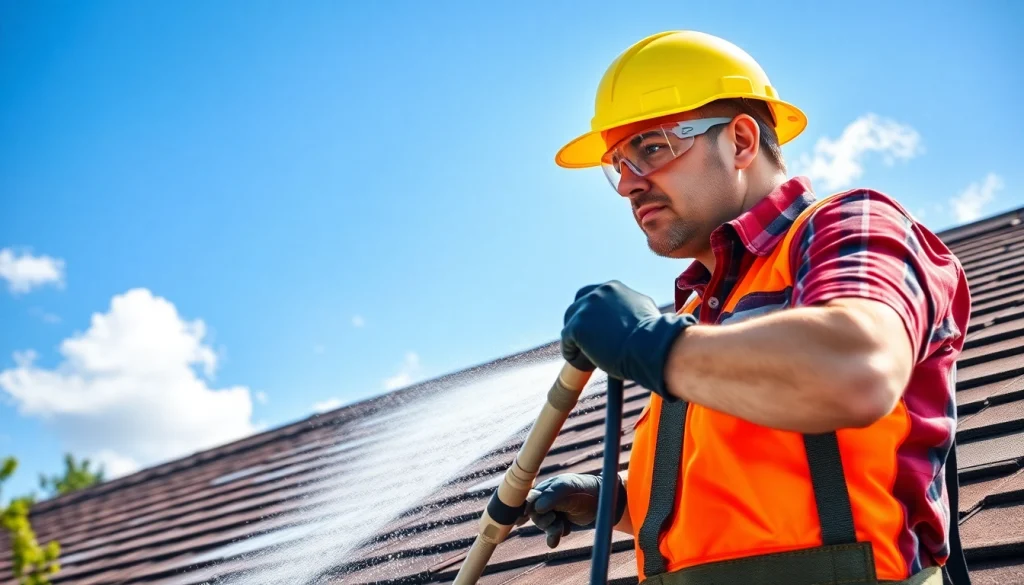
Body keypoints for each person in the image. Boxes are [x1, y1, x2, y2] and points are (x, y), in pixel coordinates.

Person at [521, 31, 973, 585]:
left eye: (653, 147)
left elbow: (857, 370)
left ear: (739, 141)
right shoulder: (700, 311)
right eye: (618, 163)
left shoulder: (849, 227)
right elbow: (758, 491)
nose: (627, 186)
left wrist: (650, 343)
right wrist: (615, 502)